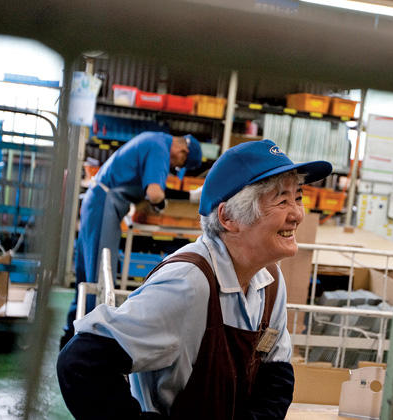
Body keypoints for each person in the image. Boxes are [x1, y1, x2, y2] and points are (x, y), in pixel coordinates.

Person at [57, 139, 332, 419]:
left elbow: (277, 374)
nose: (297, 214)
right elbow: (80, 362)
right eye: (282, 201)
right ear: (229, 217)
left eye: (298, 198)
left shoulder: (269, 279)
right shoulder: (187, 284)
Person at [60, 131, 203, 349]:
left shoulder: (154, 139)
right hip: (103, 206)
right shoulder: (160, 148)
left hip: (96, 202)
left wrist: (179, 197)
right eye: (179, 165)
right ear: (183, 152)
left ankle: (69, 338)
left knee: (86, 277)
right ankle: (86, 346)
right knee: (99, 281)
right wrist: (178, 199)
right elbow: (155, 193)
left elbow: (150, 188)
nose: (174, 166)